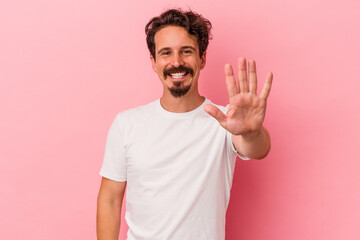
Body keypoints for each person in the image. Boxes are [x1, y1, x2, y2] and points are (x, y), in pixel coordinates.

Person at [97, 8, 273, 240]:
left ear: (202, 58)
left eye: (186, 51)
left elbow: (258, 149)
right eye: (166, 53)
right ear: (154, 61)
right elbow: (109, 199)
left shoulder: (226, 120)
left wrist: (251, 132)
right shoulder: (126, 124)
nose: (176, 62)